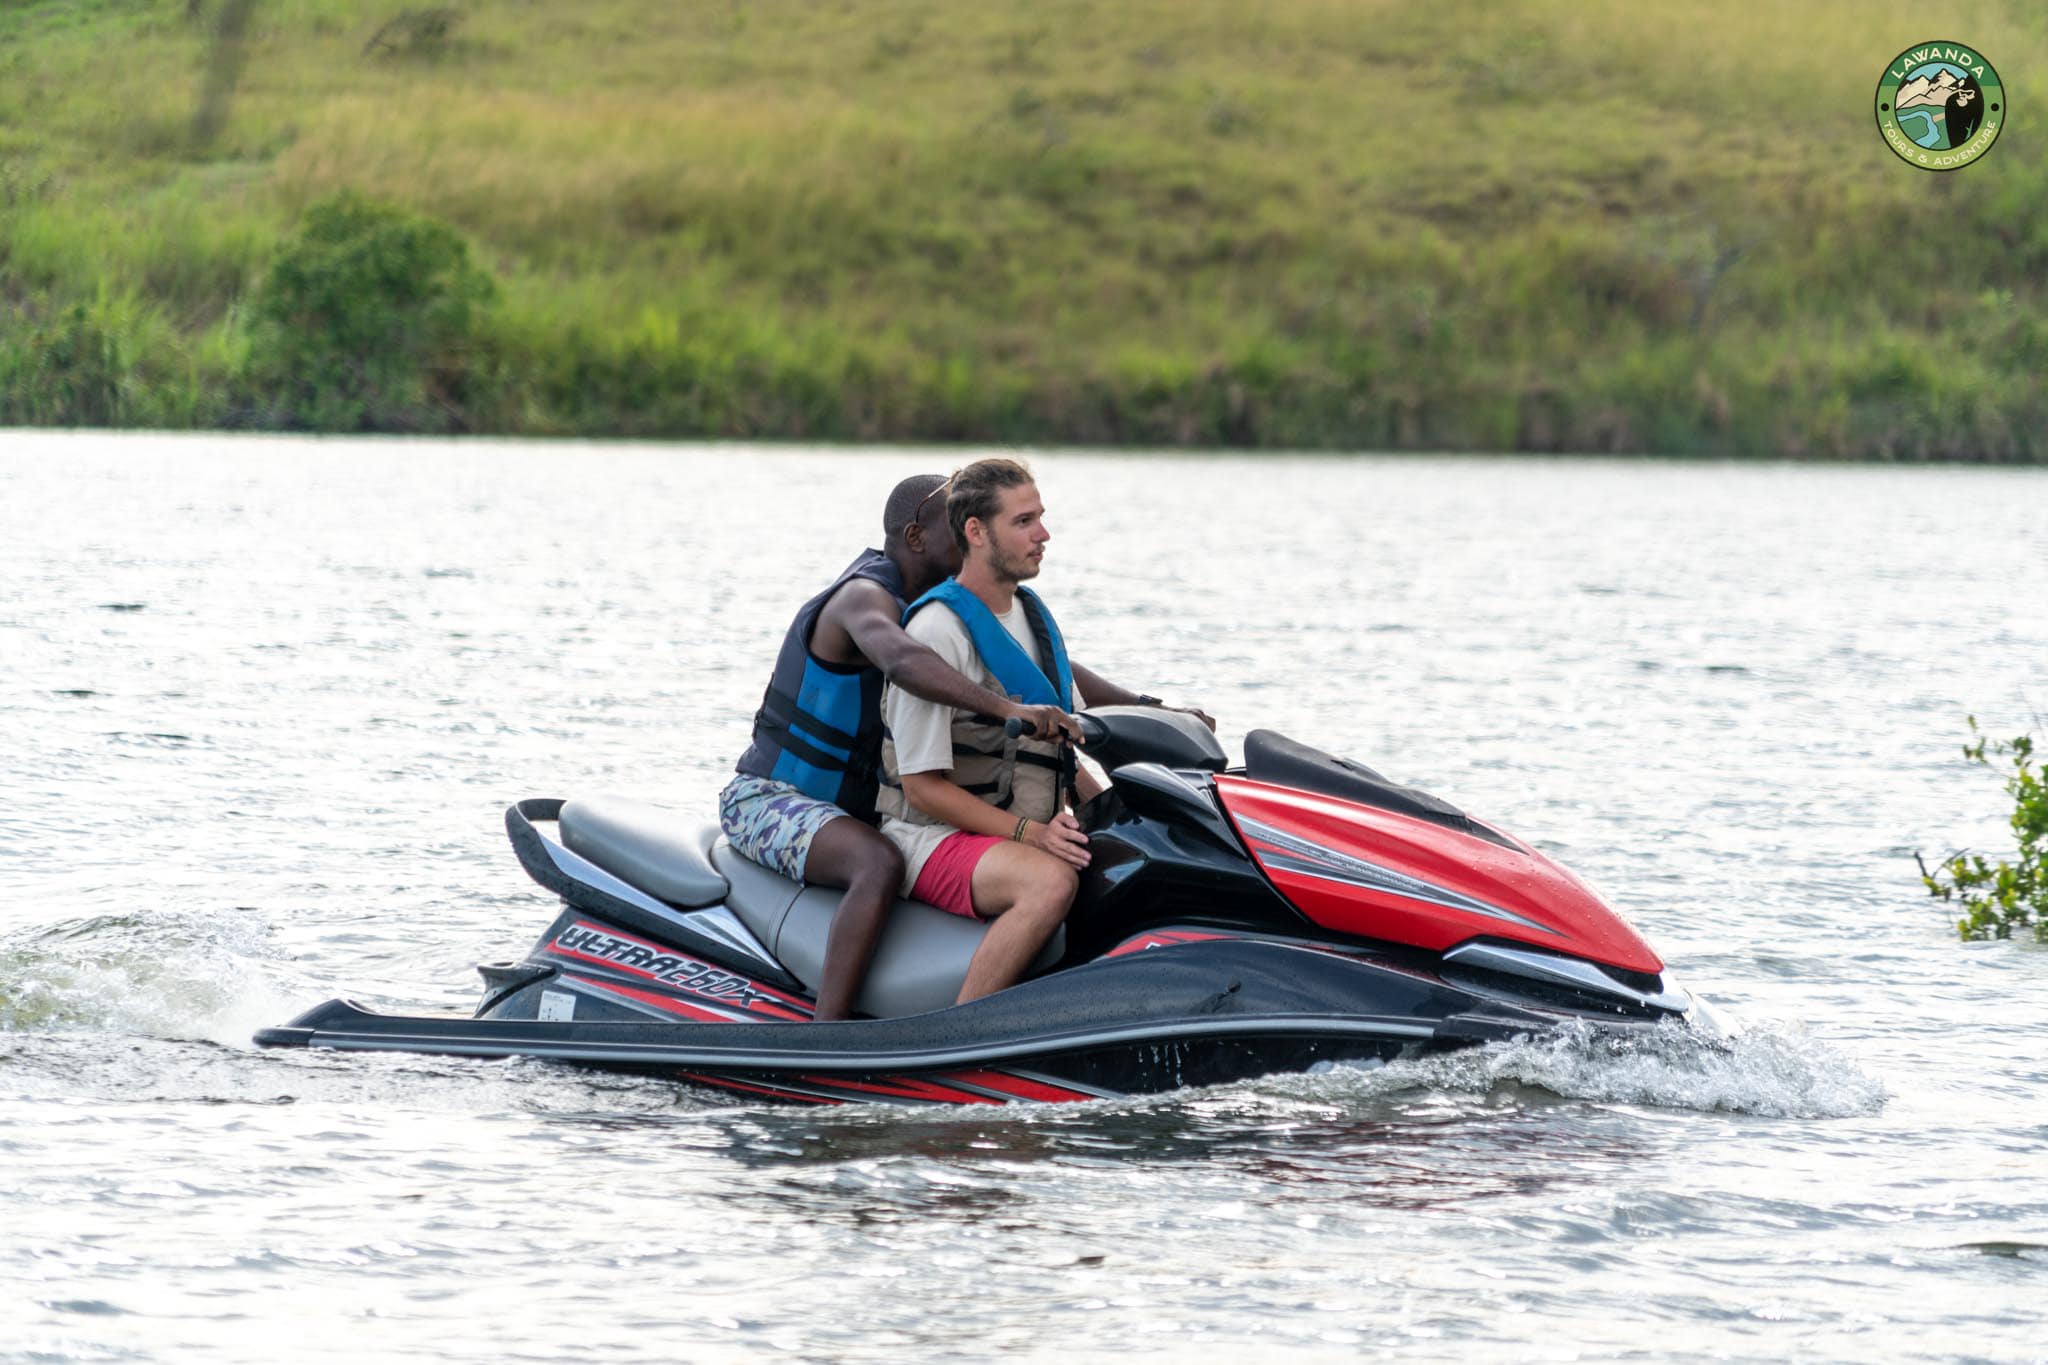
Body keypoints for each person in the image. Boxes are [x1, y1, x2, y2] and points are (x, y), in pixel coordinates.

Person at [721, 473, 1079, 1021]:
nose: (968, 534)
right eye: (954, 526)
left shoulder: (951, 610)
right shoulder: (863, 597)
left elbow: (1041, 668)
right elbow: (904, 661)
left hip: (852, 810)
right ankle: (828, 1033)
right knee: (878, 861)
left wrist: (1151, 708)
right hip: (772, 799)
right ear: (916, 537)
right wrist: (1007, 712)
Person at [876, 457, 1209, 1004]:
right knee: (1049, 882)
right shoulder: (938, 631)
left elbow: (1059, 755)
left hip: (1013, 831)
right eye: (1024, 521)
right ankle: (964, 1031)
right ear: (975, 532)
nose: (1043, 534)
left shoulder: (1032, 619)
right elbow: (921, 788)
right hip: (929, 839)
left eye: (1041, 517)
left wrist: (1112, 814)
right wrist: (1031, 835)